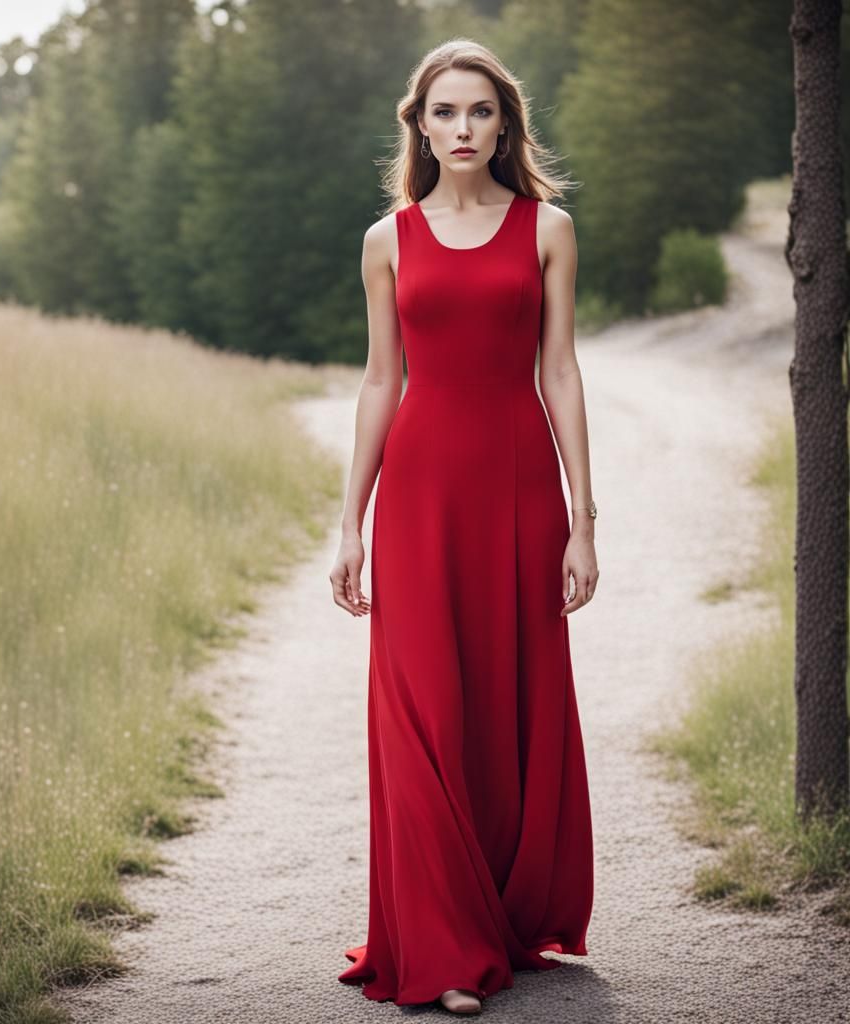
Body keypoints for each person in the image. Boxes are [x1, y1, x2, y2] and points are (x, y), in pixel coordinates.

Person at [329, 38, 598, 1016]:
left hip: (519, 494)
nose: (462, 130)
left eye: (479, 112)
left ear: (504, 123)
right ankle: (442, 947)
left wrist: (582, 517)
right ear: (419, 124)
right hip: (419, 497)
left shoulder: (547, 229)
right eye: (444, 112)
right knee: (421, 710)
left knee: (505, 700)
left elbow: (559, 370)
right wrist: (351, 522)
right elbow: (379, 381)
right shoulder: (386, 238)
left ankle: (501, 910)